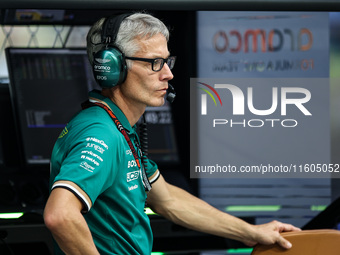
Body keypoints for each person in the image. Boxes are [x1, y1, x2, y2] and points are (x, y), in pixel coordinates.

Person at [43, 12, 300, 255]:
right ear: (112, 68)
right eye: (155, 63)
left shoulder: (119, 128)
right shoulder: (101, 134)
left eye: (167, 61)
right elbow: (60, 215)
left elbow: (168, 200)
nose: (168, 74)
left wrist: (250, 232)